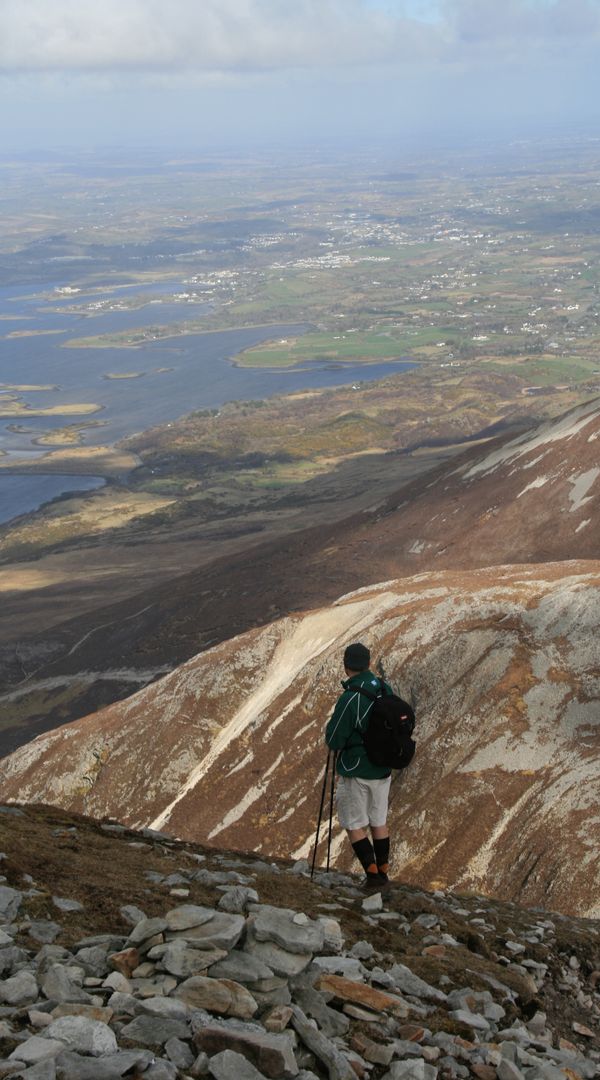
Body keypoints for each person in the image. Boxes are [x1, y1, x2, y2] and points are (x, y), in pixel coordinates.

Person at [325, 642, 392, 890]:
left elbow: (335, 738)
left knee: (354, 824)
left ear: (346, 666)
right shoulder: (385, 689)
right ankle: (383, 872)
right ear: (367, 663)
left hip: (356, 769)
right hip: (383, 768)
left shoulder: (350, 696)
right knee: (379, 821)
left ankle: (373, 877)